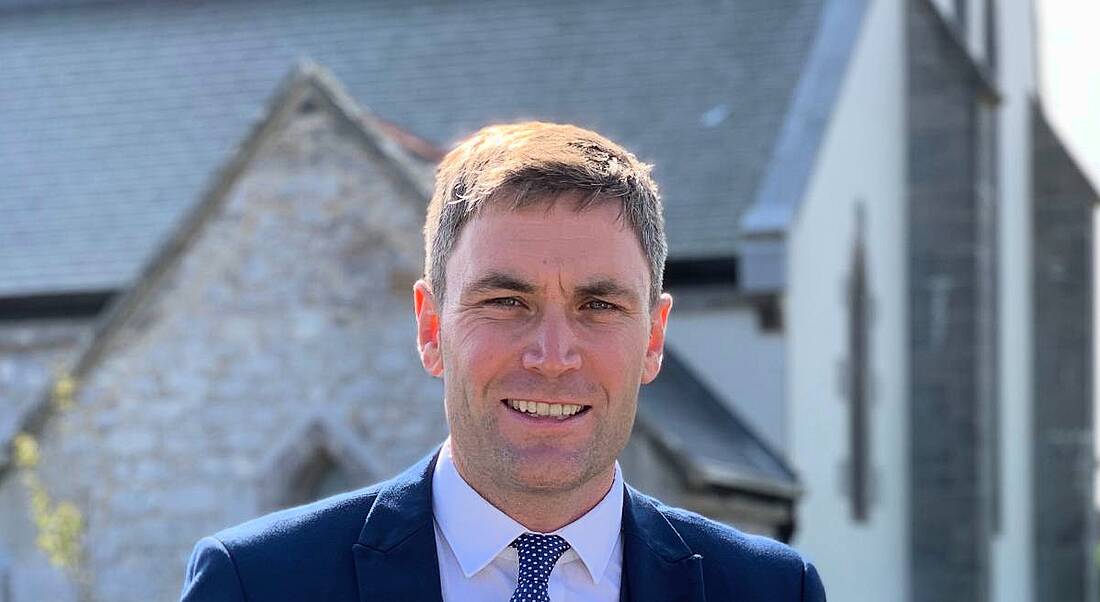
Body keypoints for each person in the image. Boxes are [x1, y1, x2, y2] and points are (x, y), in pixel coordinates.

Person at [180, 122, 826, 601]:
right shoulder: (257, 584)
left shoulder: (769, 590)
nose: (552, 356)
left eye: (598, 305)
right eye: (506, 301)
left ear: (653, 338)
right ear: (431, 327)